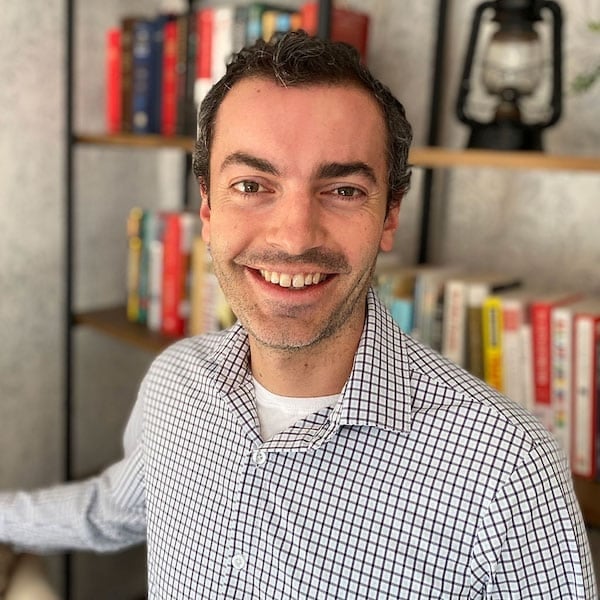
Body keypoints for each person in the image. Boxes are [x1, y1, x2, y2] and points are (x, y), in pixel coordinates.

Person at [0, 31, 597, 599]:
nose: (293, 238)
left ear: (389, 216)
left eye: (342, 191)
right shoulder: (175, 383)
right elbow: (112, 508)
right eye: (252, 185)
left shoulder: (506, 470)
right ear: (206, 208)